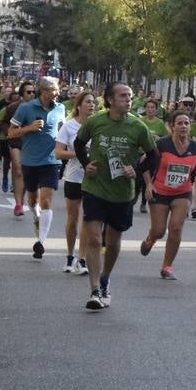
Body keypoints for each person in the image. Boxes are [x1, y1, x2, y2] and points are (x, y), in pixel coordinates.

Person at [74, 82, 156, 309]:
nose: (128, 100)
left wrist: (136, 170)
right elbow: (79, 144)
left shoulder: (138, 127)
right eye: (123, 96)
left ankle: (105, 278)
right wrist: (86, 163)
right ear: (110, 100)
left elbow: (153, 156)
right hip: (95, 187)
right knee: (93, 238)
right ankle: (94, 290)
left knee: (113, 241)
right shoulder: (95, 121)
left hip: (121, 192)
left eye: (130, 96)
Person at [140, 110, 196, 280]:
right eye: (179, 123)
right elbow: (144, 164)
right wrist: (148, 184)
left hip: (182, 193)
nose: (183, 126)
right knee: (159, 230)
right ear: (171, 126)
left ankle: (167, 266)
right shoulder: (161, 145)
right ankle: (150, 239)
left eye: (186, 123)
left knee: (176, 228)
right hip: (159, 191)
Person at [8, 76, 65, 260]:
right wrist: (29, 128)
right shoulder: (26, 108)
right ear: (43, 91)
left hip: (51, 161)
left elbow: (63, 130)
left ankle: (41, 242)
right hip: (30, 161)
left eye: (57, 90)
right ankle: (36, 217)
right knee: (32, 200)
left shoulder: (61, 108)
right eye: (52, 90)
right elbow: (10, 132)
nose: (56, 94)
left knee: (47, 200)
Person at [54, 90, 95, 274]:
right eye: (88, 102)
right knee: (72, 219)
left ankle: (82, 259)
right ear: (79, 106)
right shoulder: (68, 127)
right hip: (73, 177)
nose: (92, 105)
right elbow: (58, 153)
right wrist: (80, 153)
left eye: (94, 102)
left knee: (88, 219)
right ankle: (70, 256)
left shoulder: (98, 127)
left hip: (93, 178)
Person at [134, 99, 168, 213]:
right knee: (137, 178)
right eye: (148, 107)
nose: (150, 110)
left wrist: (159, 138)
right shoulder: (140, 121)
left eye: (152, 107)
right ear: (145, 109)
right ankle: (133, 199)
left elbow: (165, 139)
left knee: (147, 180)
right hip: (139, 153)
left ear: (156, 109)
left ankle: (144, 203)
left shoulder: (160, 123)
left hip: (152, 154)